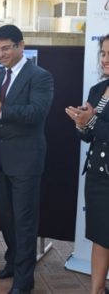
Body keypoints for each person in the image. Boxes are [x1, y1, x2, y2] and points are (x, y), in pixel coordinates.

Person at [0, 25, 54, 294]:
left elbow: (36, 113)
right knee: (6, 218)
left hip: (26, 161)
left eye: (6, 48)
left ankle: (24, 280)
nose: (1, 54)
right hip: (0, 161)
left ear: (21, 46)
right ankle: (12, 263)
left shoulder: (40, 76)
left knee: (24, 222)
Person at [65, 34, 109, 294]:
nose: (105, 59)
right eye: (103, 53)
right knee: (100, 237)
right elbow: (88, 137)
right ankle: (96, 290)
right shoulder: (97, 89)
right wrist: (81, 123)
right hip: (97, 176)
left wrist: (90, 121)